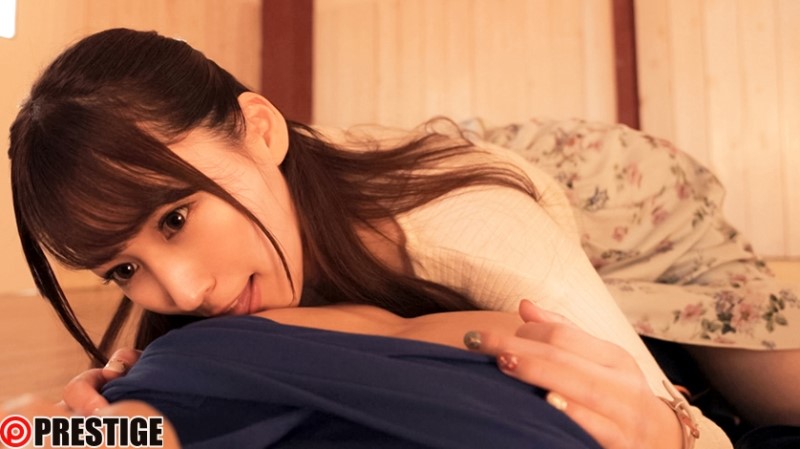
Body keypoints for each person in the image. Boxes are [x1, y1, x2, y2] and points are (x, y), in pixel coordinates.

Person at [6, 28, 733, 448]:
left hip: (632, 202)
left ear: (260, 131)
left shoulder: (468, 229)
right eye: (123, 268)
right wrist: (80, 415)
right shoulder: (192, 345)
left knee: (772, 388)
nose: (184, 291)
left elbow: (691, 432)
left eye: (175, 219)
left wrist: (667, 429)